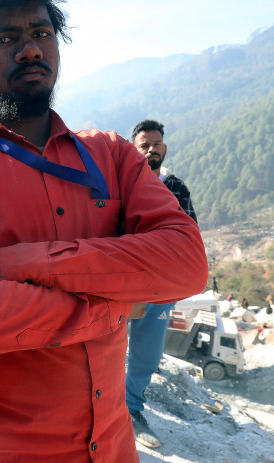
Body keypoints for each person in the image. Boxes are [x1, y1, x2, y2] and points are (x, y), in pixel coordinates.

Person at [0, 2, 208, 462]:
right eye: (5, 39)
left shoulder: (113, 155)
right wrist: (111, 307)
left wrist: (22, 263)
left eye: (42, 33)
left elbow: (187, 264)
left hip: (112, 446)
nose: (30, 50)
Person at [126, 119, 198, 449]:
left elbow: (187, 237)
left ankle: (132, 410)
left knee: (147, 353)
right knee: (104, 345)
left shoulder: (176, 188)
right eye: (145, 145)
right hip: (121, 282)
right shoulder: (120, 184)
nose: (152, 150)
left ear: (164, 149)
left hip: (158, 287)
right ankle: (102, 406)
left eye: (157, 144)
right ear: (133, 149)